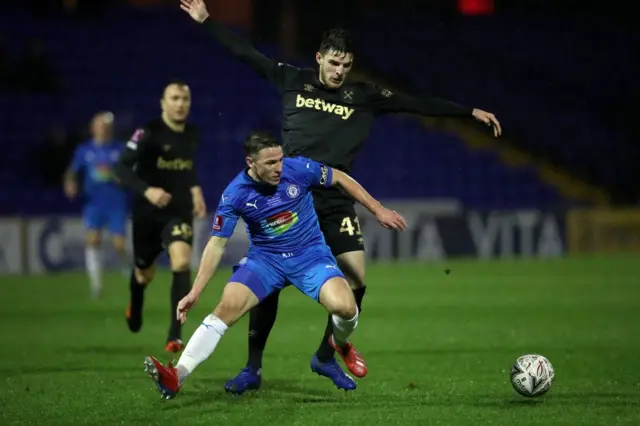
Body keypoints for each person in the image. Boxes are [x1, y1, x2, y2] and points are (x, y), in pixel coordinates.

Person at [180, 0, 502, 393]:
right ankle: (253, 368)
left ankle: (326, 354)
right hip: (288, 195)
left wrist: (468, 112)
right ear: (319, 57)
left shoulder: (362, 97)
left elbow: (413, 103)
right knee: (267, 284)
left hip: (332, 195)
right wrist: (207, 21)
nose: (339, 71)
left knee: (357, 278)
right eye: (333, 63)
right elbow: (245, 53)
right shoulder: (292, 79)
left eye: (346, 65)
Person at [143, 131, 407, 399]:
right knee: (227, 307)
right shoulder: (235, 193)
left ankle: (339, 344)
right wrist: (195, 291)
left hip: (310, 256)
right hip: (265, 260)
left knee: (346, 308)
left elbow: (339, 177)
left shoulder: (298, 168)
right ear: (251, 162)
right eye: (270, 163)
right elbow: (216, 245)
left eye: (279, 160)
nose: (278, 168)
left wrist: (378, 209)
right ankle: (177, 376)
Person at [114, 80, 207, 353]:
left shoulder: (192, 133)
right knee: (144, 274)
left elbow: (186, 167)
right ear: (163, 103)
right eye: (174, 98)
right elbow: (120, 168)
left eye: (185, 99)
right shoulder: (147, 132)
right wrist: (148, 190)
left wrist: (196, 190)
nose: (180, 104)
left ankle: (174, 335)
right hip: (147, 214)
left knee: (181, 262)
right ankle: (136, 300)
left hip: (178, 211)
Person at [64, 111, 127, 299]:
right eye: (99, 125)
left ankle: (128, 269)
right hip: (93, 203)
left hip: (115, 202)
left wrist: (122, 178)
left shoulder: (119, 148)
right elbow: (72, 171)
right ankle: (96, 285)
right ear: (93, 128)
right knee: (93, 240)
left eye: (105, 126)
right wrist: (70, 183)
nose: (102, 129)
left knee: (119, 245)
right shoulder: (84, 150)